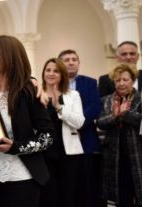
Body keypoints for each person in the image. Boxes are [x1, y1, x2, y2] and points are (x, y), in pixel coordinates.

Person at [0, 35, 55, 207]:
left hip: (20, 177)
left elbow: (47, 137)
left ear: (11, 59)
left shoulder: (28, 91)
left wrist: (15, 147)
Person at [58, 49, 102, 207]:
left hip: (86, 140)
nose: (71, 62)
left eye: (74, 59)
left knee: (88, 185)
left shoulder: (90, 82)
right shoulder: (54, 84)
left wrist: (79, 121)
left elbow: (95, 107)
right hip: (62, 142)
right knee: (67, 185)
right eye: (67, 59)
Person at [39, 58, 85, 207]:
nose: (51, 73)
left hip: (68, 152)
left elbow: (79, 122)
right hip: (43, 152)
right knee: (47, 195)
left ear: (62, 74)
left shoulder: (73, 95)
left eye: (56, 71)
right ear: (43, 73)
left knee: (68, 194)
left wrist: (59, 107)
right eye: (48, 70)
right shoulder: (36, 94)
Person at [97, 64, 142, 207]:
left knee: (139, 191)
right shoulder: (106, 100)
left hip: (137, 154)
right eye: (117, 80)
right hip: (114, 155)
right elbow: (100, 122)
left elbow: (140, 119)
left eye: (125, 79)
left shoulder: (140, 98)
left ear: (133, 80)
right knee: (120, 196)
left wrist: (125, 113)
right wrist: (115, 116)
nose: (121, 83)